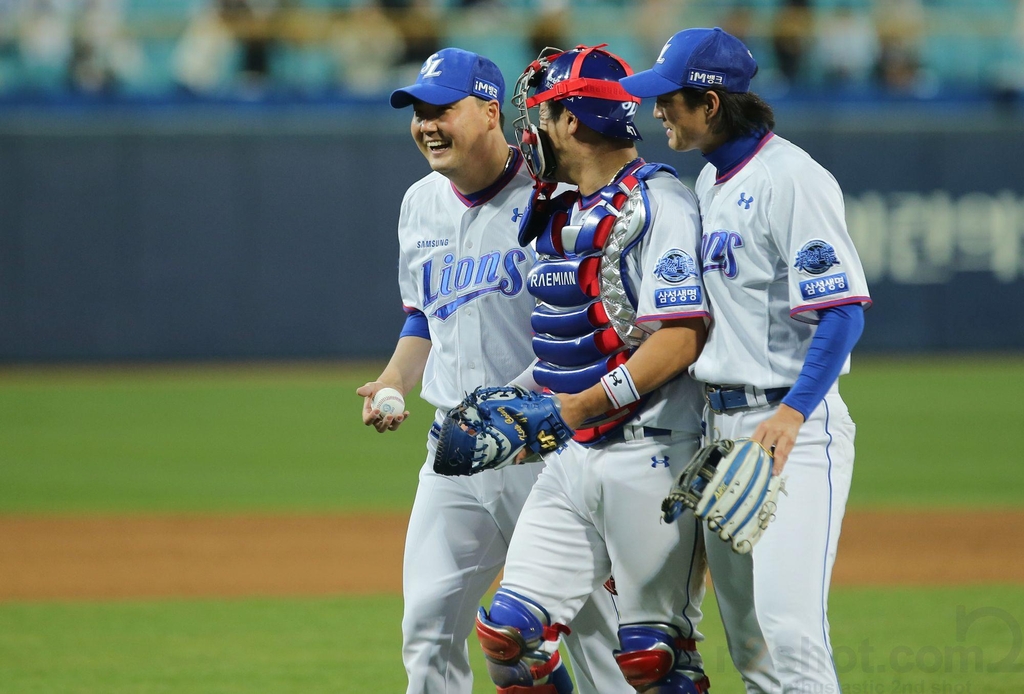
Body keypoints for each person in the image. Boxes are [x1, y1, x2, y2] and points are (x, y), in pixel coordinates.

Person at [357, 47, 630, 694]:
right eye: (418, 112)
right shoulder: (420, 203)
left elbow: (592, 325)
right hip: (454, 448)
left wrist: (534, 404)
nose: (426, 124)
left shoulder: (554, 197)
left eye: (441, 109)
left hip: (546, 448)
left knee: (593, 636)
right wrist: (395, 378)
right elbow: (425, 316)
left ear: (488, 112)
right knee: (426, 629)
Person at [621, 26, 872, 693]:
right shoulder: (706, 183)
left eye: (669, 99)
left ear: (709, 103)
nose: (657, 112)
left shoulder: (792, 178)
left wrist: (792, 414)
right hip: (722, 430)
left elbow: (843, 312)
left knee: (792, 634)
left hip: (792, 430)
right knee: (752, 645)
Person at [473, 45, 711, 694]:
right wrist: (509, 400)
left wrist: (574, 408)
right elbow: (571, 346)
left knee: (654, 664)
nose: (532, 131)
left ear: (572, 123)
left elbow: (680, 340)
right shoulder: (564, 208)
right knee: (509, 639)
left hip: (654, 453)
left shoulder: (658, 203)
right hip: (575, 460)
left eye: (542, 115)